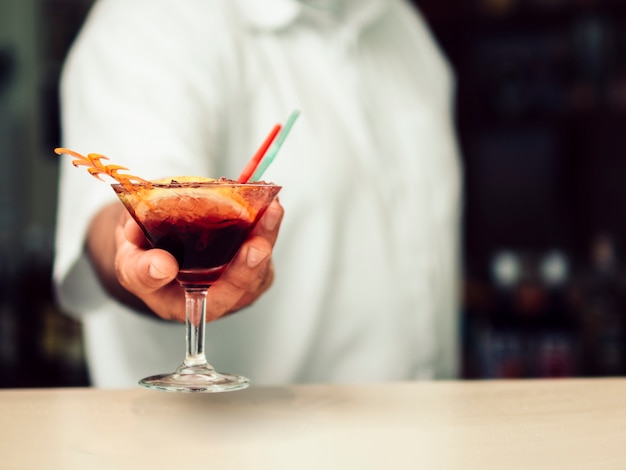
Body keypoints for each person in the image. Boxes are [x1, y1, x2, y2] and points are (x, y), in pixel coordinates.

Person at [54, 0, 463, 388]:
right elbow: (117, 220)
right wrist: (136, 256)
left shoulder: (401, 26)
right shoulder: (154, 17)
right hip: (216, 451)